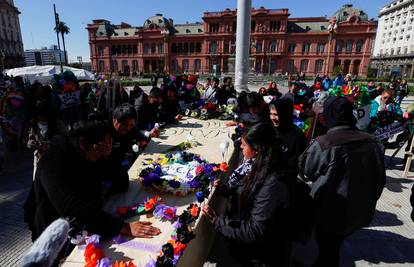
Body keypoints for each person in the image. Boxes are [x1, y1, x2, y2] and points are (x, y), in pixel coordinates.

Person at [24, 119, 161, 262]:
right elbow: (71, 207)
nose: (105, 149)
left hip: (87, 222)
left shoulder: (94, 151)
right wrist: (122, 227)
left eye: (109, 143)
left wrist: (109, 156)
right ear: (83, 143)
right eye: (103, 145)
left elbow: (122, 183)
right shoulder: (53, 159)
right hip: (53, 228)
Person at [299, 96, 385, 267]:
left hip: (330, 212)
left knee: (328, 250)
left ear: (330, 114)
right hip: (359, 210)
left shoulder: (325, 142)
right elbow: (379, 178)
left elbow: (306, 170)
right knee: (333, 247)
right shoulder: (373, 141)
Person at [203, 123, 291, 266]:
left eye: (244, 145)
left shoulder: (272, 183)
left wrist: (217, 221)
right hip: (244, 243)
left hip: (260, 254)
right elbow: (247, 191)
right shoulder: (254, 164)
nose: (241, 147)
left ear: (256, 149)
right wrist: (226, 190)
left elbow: (255, 230)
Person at [27, 101, 67, 179]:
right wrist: (31, 143)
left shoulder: (57, 123)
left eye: (43, 116)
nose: (41, 118)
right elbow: (30, 139)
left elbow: (65, 137)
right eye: (39, 116)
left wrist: (49, 143)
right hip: (40, 158)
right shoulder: (34, 124)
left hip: (55, 158)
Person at [270, 99, 306, 178]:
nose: (272, 118)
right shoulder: (269, 130)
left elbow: (297, 165)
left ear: (285, 114)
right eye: (271, 114)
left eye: (276, 114)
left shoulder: (297, 135)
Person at [111, 103, 149, 170]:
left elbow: (143, 140)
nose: (127, 128)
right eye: (124, 124)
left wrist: (143, 142)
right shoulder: (106, 134)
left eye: (131, 125)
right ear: (114, 119)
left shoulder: (131, 129)